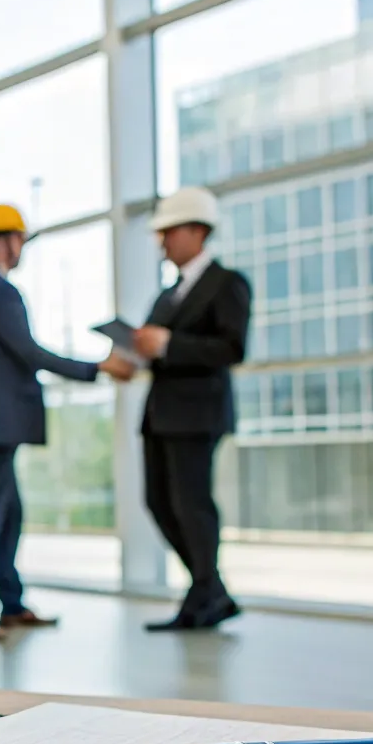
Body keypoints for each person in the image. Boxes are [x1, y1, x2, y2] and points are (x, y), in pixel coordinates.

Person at [0, 205, 135, 642]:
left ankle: (11, 604)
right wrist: (97, 367)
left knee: (7, 513)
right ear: (4, 240)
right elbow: (32, 353)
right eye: (20, 239)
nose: (22, 248)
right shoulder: (2, 294)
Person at [129, 187, 250, 631]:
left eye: (169, 232)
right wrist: (138, 353)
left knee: (192, 505)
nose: (162, 242)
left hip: (198, 414)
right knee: (158, 501)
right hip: (160, 414)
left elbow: (232, 347)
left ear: (197, 230)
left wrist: (170, 344)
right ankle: (210, 592)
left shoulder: (227, 284)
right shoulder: (167, 296)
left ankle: (204, 596)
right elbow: (157, 349)